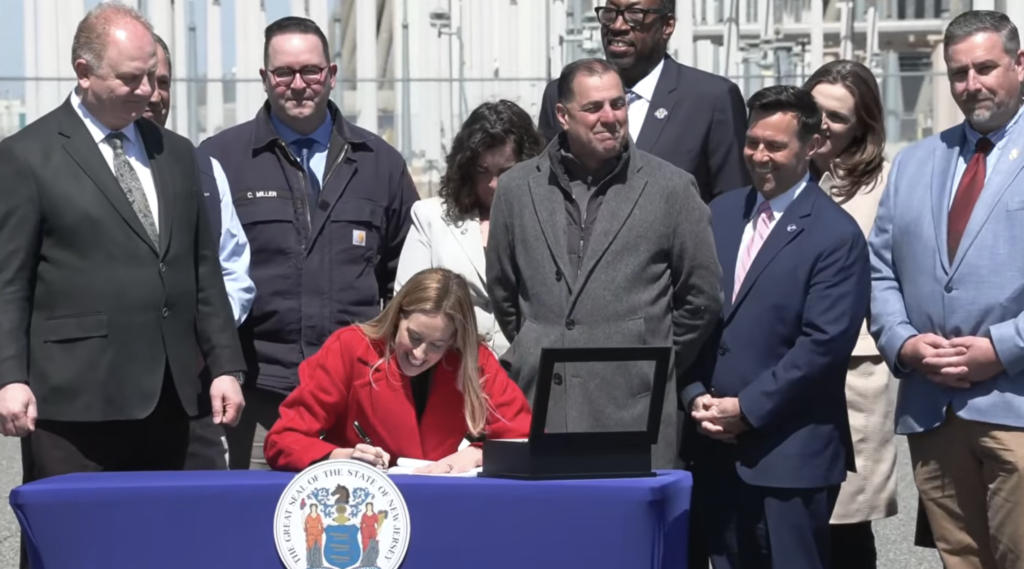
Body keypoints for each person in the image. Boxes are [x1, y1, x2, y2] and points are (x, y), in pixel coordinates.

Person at [0, 5, 247, 566]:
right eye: (130, 78)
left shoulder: (178, 154)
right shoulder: (25, 157)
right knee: (81, 549)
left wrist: (226, 365)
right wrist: (9, 377)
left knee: (192, 544)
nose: (147, 92)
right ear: (83, 71)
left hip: (179, 398)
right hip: (77, 403)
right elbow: (7, 282)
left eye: (153, 76)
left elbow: (203, 271)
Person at [199, 16, 419, 470]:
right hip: (261, 398)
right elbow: (202, 277)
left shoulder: (380, 165)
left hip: (356, 399)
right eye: (284, 73)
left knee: (355, 530)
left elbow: (409, 281)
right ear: (265, 78)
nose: (298, 84)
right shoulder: (220, 160)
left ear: (331, 75)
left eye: (311, 71)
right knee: (255, 526)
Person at [486, 58, 722, 470]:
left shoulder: (672, 188)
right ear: (562, 115)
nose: (610, 118)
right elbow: (505, 291)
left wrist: (647, 359)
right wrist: (546, 343)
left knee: (632, 532)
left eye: (618, 104)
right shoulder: (516, 189)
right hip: (543, 403)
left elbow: (701, 298)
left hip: (637, 411)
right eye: (594, 108)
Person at [682, 85, 869, 569]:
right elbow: (692, 312)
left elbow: (823, 347)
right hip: (714, 450)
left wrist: (747, 408)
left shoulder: (836, 234)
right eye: (753, 142)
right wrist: (695, 393)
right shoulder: (720, 212)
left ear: (811, 146)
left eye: (775, 146)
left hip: (790, 455)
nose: (760, 156)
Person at [869, 10, 1024, 569]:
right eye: (958, 73)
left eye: (985, 68)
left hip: (1016, 406)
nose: (970, 85)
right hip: (933, 411)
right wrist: (905, 343)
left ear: (1020, 64)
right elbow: (879, 270)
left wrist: (1003, 348)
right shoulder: (913, 164)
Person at [263, 268, 532, 473]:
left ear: (453, 340)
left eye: (436, 345)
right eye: (413, 337)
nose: (419, 354)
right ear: (396, 317)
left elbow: (522, 438)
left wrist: (473, 455)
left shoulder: (473, 359)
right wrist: (344, 457)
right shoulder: (349, 347)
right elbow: (283, 441)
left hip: (439, 499)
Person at [803, 60, 896, 569]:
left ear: (862, 125)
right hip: (779, 367)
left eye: (836, 118)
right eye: (813, 110)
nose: (820, 126)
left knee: (844, 529)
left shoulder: (884, 184)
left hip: (851, 373)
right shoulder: (776, 168)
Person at [147, 34, 255, 471]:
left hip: (194, 389)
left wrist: (202, 340)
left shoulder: (202, 167)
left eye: (163, 82)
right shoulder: (56, 160)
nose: (154, 95)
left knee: (197, 518)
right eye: (140, 79)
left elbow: (233, 272)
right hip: (103, 396)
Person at [537, 0, 749, 201]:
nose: (618, 25)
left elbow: (731, 206)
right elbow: (543, 188)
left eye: (635, 15)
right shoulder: (561, 93)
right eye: (611, 13)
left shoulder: (711, 99)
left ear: (667, 25)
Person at [395, 100, 545, 357]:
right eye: (482, 171)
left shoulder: (546, 219)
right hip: (452, 374)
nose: (494, 184)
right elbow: (408, 304)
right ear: (466, 168)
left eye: (506, 171)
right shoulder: (431, 217)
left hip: (526, 379)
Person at [304, 503, 325, 568]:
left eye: (314, 507)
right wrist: (305, 529)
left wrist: (321, 529)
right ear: (311, 508)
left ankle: (318, 564)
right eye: (312, 507)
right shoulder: (308, 516)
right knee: (311, 548)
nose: (313, 508)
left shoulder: (319, 516)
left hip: (317, 533)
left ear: (316, 508)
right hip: (310, 533)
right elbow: (305, 525)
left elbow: (321, 524)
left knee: (318, 547)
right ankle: (311, 564)